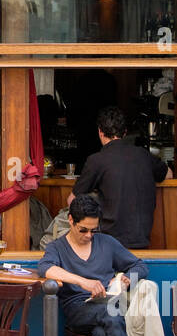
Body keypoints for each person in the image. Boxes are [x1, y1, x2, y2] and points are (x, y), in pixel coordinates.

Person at [38, 196, 156, 336]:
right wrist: (83, 282)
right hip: (78, 309)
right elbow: (45, 268)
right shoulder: (57, 247)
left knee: (103, 332)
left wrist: (124, 279)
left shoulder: (107, 243)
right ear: (70, 221)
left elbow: (140, 266)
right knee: (111, 313)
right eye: (84, 230)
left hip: (106, 308)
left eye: (93, 230)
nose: (89, 235)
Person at [71, 106, 168, 249]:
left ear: (100, 132)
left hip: (108, 244)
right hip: (142, 239)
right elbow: (169, 174)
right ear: (125, 133)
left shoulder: (97, 160)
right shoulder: (144, 155)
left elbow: (72, 200)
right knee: (133, 272)